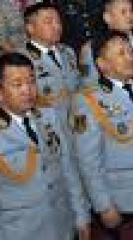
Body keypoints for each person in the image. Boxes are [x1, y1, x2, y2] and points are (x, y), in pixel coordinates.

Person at [70, 31, 133, 239]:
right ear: (102, 64)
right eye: (121, 53)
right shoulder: (87, 101)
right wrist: (103, 205)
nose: (130, 57)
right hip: (124, 202)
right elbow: (88, 162)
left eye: (131, 51)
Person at [0, 52, 90, 240]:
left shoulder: (48, 116)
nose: (28, 90)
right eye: (17, 84)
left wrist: (81, 216)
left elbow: (68, 169)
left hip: (64, 225)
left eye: (31, 81)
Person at [22, 2, 80, 119]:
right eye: (48, 22)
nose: (57, 26)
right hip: (45, 122)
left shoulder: (68, 52)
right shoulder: (21, 59)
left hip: (76, 118)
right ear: (30, 28)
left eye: (58, 21)